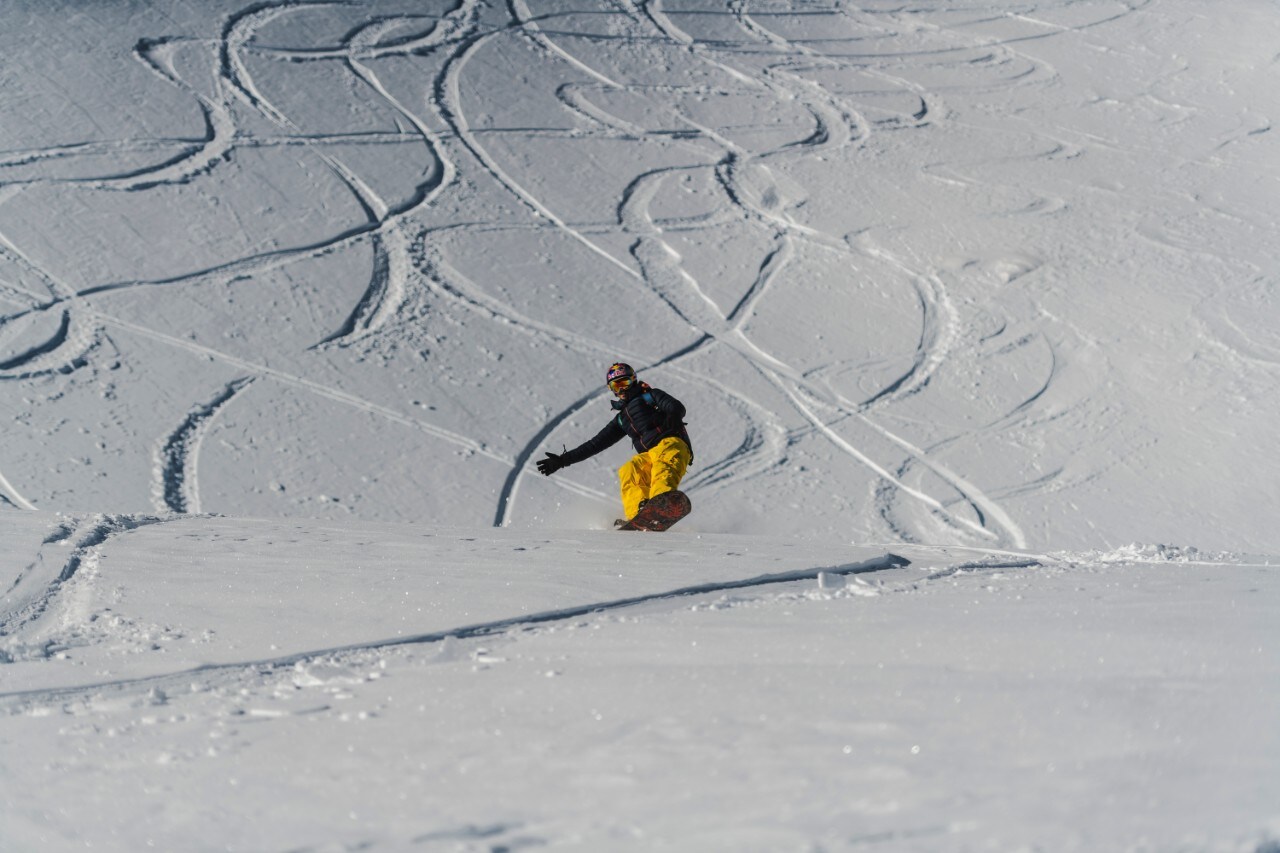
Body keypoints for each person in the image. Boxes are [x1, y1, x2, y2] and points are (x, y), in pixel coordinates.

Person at [536, 363, 693, 521]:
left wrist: (673, 415)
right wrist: (563, 460)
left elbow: (676, 406)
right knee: (630, 469)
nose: (621, 390)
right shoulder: (622, 419)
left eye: (623, 383)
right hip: (650, 455)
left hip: (671, 445)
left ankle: (661, 504)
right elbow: (595, 444)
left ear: (633, 381)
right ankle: (639, 514)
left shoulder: (650, 396)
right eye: (615, 386)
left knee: (662, 470)